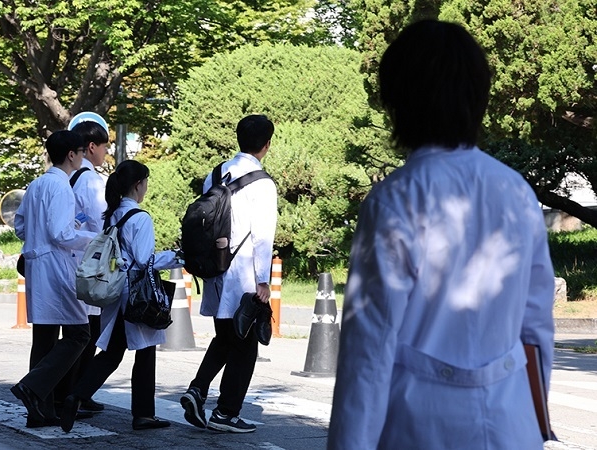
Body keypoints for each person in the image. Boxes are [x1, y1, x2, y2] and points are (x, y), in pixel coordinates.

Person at [327, 20, 555, 449]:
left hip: (419, 425)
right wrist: (536, 424)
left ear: (400, 101)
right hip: (510, 422)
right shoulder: (517, 191)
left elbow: (369, 351)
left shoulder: (395, 198)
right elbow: (537, 328)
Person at [60, 159, 183, 432]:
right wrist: (177, 258)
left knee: (112, 352)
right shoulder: (140, 217)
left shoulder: (113, 214)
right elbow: (144, 260)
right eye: (146, 182)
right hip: (135, 293)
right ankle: (143, 414)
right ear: (139, 184)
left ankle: (76, 395)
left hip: (115, 290)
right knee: (145, 351)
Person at [180, 114, 277, 433]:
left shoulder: (216, 173)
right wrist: (263, 280)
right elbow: (263, 235)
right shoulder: (262, 182)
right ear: (267, 144)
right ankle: (226, 413)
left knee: (226, 335)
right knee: (245, 342)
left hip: (214, 267)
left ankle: (197, 389)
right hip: (243, 270)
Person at [11, 130, 97, 428]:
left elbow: (20, 224)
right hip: (56, 266)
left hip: (37, 263)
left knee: (45, 339)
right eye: (81, 152)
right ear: (71, 154)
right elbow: (63, 234)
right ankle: (33, 387)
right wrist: (93, 238)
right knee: (79, 334)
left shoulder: (36, 184)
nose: (84, 157)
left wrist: (38, 235)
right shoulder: (61, 187)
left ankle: (39, 411)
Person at [54, 120, 109, 415]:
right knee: (88, 333)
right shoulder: (92, 181)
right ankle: (73, 393)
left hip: (67, 265)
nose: (105, 153)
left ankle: (69, 392)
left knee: (77, 331)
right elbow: (102, 225)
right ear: (90, 147)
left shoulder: (69, 179)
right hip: (89, 266)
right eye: (104, 147)